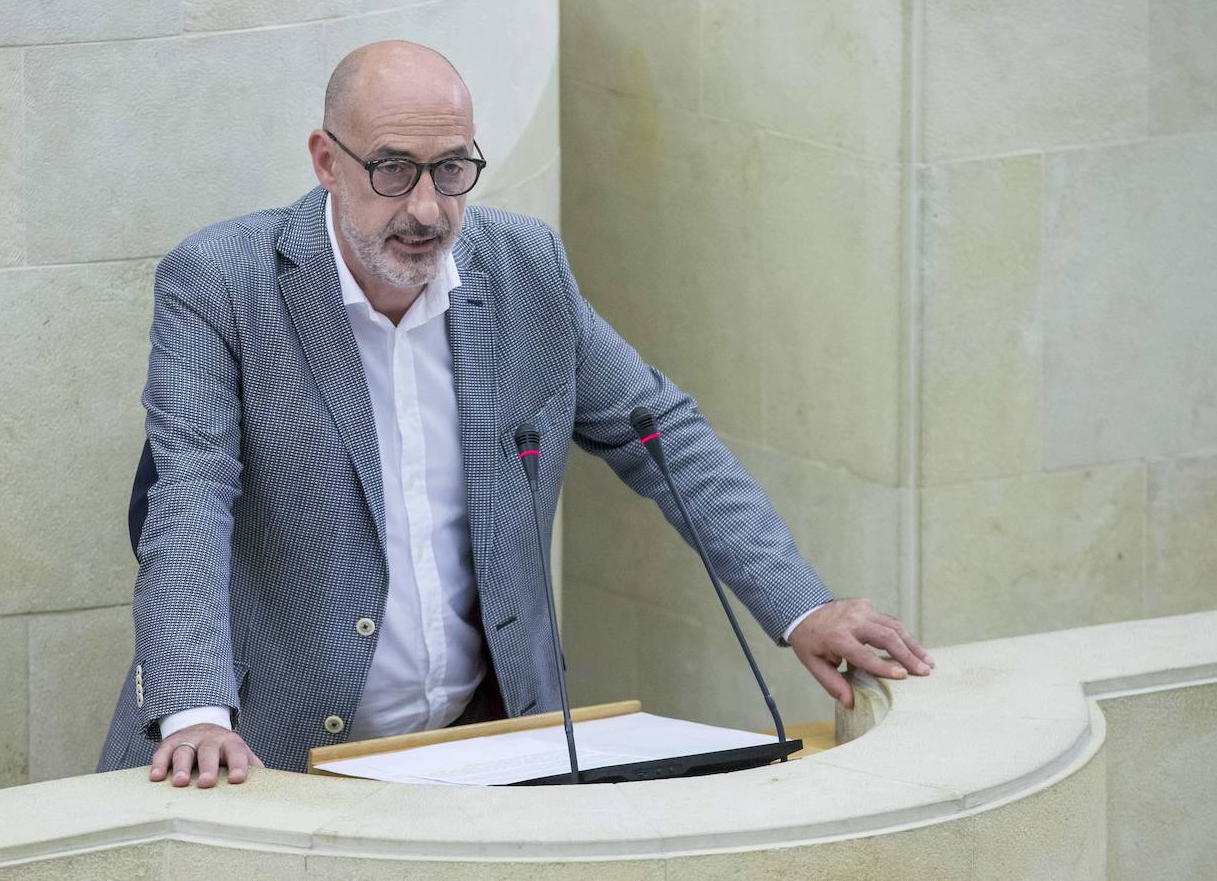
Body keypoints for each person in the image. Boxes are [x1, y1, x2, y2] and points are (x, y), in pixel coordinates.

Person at [97, 40, 933, 790]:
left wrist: (800, 606)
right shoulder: (220, 283)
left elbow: (661, 432)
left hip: (491, 751)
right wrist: (196, 710)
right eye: (393, 168)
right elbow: (189, 493)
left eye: (453, 168)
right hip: (267, 757)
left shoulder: (525, 266)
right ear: (326, 159)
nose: (427, 208)